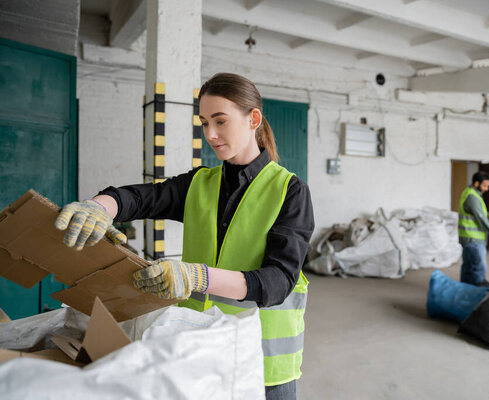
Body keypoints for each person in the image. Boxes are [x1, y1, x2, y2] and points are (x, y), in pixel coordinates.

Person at [54, 72, 315, 400]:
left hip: (264, 368)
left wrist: (196, 276)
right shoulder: (200, 184)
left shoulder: (289, 191)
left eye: (220, 121)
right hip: (200, 351)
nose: (211, 134)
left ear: (254, 119)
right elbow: (141, 197)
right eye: (204, 123)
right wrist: (99, 207)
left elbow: (277, 282)